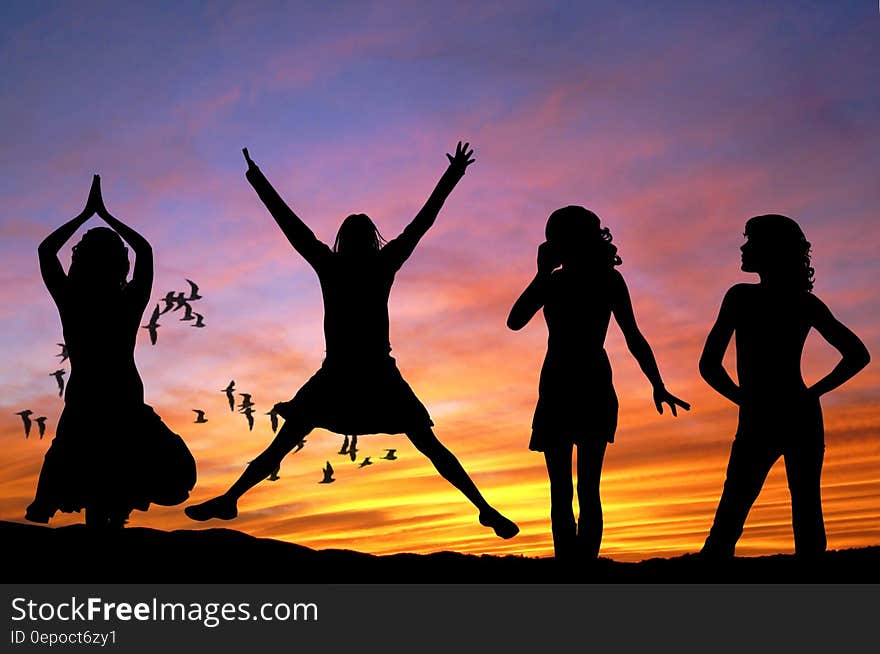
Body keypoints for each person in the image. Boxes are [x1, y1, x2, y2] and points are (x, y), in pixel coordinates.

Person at [185, 143, 518, 539]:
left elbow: (291, 226)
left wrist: (256, 178)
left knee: (288, 441)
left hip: (352, 374)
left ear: (344, 239)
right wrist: (452, 176)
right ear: (370, 239)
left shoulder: (335, 264)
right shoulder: (379, 263)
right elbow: (421, 223)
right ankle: (483, 507)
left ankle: (232, 498)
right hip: (363, 374)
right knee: (427, 445)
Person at [508, 206, 689, 562]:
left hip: (579, 383)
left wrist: (658, 382)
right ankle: (574, 569)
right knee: (574, 490)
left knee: (575, 490)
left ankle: (579, 570)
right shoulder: (566, 281)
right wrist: (541, 275)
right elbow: (514, 321)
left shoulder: (600, 280)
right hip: (570, 385)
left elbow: (634, 337)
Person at [26, 176, 197, 529]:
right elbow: (145, 252)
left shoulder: (72, 299)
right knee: (114, 493)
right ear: (120, 263)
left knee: (97, 488)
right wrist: (106, 215)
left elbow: (45, 251)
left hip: (91, 401)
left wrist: (87, 215)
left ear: (81, 261)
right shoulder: (127, 300)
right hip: (120, 400)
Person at [699, 214, 869, 558]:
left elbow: (709, 366)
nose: (743, 247)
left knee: (735, 512)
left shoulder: (742, 298)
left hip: (768, 415)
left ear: (771, 250)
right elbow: (856, 355)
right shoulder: (802, 303)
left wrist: (745, 399)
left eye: (751, 241)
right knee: (799, 509)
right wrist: (811, 394)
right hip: (795, 412)